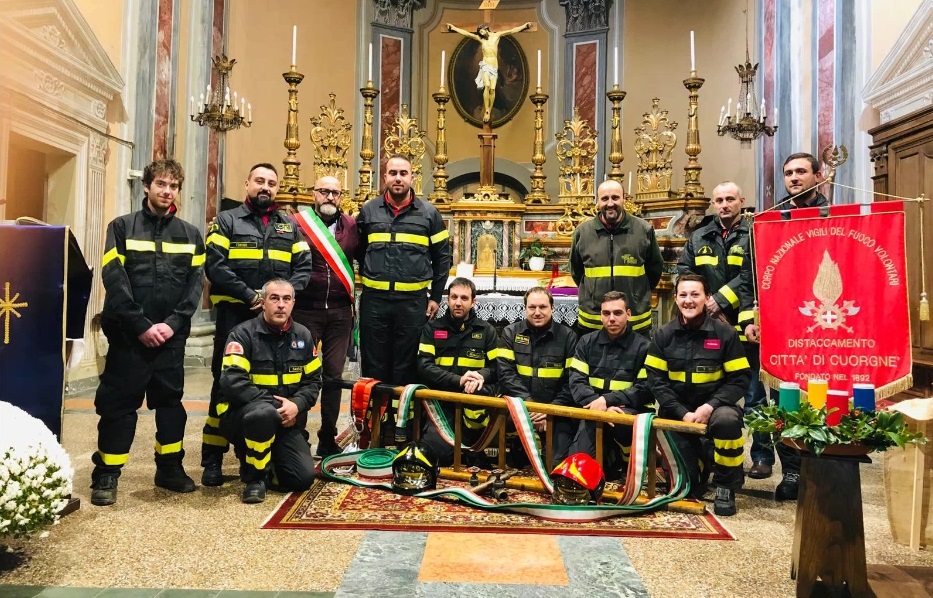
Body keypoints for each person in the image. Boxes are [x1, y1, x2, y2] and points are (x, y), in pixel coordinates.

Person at [90, 158, 205, 506]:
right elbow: (115, 280)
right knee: (118, 407)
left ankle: (169, 468)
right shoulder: (121, 227)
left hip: (170, 340)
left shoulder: (191, 235)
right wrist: (141, 326)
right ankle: (107, 475)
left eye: (173, 186)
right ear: (147, 186)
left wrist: (170, 326)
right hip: (129, 338)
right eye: (161, 184)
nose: (167, 191)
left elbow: (194, 288)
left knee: (171, 405)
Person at [201, 163, 312, 487]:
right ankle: (213, 458)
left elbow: (303, 269)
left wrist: (278, 298)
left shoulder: (289, 227)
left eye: (271, 183)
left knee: (278, 378)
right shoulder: (226, 221)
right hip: (236, 314)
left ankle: (269, 446)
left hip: (275, 318)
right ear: (247, 183)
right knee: (224, 385)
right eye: (259, 181)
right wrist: (252, 296)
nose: (265, 186)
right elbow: (216, 266)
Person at [743, 152, 827, 500]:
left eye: (801, 172)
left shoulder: (830, 215)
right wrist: (753, 316)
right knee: (758, 396)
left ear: (818, 175)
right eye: (788, 172)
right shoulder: (770, 218)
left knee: (794, 399)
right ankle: (762, 457)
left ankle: (796, 468)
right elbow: (753, 271)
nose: (793, 178)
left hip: (815, 322)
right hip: (773, 322)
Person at [675, 182, 767, 480]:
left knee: (753, 396)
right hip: (708, 325)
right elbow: (685, 271)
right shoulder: (699, 235)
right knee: (712, 392)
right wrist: (704, 304)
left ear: (742, 200)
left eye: (730, 199)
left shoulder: (755, 233)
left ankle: (762, 457)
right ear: (713, 204)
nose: (724, 204)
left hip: (745, 325)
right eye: (719, 200)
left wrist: (720, 301)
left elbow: (754, 274)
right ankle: (713, 454)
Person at [356, 154, 451, 438]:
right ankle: (376, 426)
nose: (398, 178)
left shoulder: (429, 214)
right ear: (384, 178)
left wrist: (435, 296)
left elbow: (442, 258)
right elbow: (359, 252)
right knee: (375, 365)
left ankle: (404, 427)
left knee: (407, 365)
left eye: (404, 173)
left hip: (413, 305)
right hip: (375, 302)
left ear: (412, 178)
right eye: (392, 173)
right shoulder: (369, 211)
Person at [645, 274, 751, 516]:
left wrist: (709, 407)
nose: (689, 300)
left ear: (707, 298)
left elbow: (740, 379)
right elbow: (656, 382)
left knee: (727, 422)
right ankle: (701, 461)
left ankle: (726, 485)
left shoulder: (726, 334)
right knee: (690, 487)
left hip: (717, 407)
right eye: (683, 295)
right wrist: (682, 413)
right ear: (675, 298)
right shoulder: (663, 335)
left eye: (695, 294)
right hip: (677, 410)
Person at [218, 278, 322, 503]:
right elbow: (233, 382)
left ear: (293, 303)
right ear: (263, 303)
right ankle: (255, 477)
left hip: (286, 420)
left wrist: (296, 405)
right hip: (244, 418)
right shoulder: (242, 335)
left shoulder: (303, 336)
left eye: (287, 299)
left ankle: (268, 459)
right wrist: (279, 408)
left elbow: (313, 381)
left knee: (302, 479)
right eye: (274, 298)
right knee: (263, 415)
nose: (281, 305)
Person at [291, 176, 358, 459]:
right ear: (313, 193)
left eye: (335, 192)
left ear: (341, 197)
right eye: (324, 191)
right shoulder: (297, 224)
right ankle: (298, 436)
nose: (329, 196)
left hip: (340, 312)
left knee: (332, 375)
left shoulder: (352, 227)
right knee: (301, 373)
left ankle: (328, 436)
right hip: (306, 308)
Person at [566, 291, 651, 479]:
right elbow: (576, 380)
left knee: (621, 421)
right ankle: (609, 463)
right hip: (593, 412)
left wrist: (606, 400)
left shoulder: (644, 346)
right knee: (577, 468)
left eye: (617, 313)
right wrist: (598, 404)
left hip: (627, 414)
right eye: (606, 313)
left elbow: (644, 389)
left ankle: (630, 463)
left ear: (628, 314)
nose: (611, 319)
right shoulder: (586, 342)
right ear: (600, 315)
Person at [417, 277, 498, 466]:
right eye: (454, 297)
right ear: (447, 300)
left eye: (464, 298)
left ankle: (470, 448)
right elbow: (424, 367)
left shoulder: (486, 331)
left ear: (473, 302)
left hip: (473, 403)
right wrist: (459, 380)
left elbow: (497, 368)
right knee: (438, 455)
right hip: (441, 402)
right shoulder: (432, 328)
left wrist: (480, 377)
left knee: (471, 450)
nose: (458, 303)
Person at [569, 179, 664, 336]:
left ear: (624, 199)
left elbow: (654, 269)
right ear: (597, 201)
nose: (610, 203)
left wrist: (636, 295)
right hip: (593, 320)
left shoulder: (643, 230)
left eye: (615, 197)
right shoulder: (583, 232)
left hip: (634, 319)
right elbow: (576, 271)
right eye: (605, 198)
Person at [497, 287, 578, 464]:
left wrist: (550, 411)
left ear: (552, 308)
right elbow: (505, 375)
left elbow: (572, 381)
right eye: (532, 307)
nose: (537, 312)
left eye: (543, 307)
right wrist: (531, 407)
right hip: (521, 409)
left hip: (557, 411)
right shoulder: (510, 333)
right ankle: (518, 448)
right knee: (516, 463)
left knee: (556, 464)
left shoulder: (568, 336)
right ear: (525, 308)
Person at [446, 21, 532, 123]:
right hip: (485, 66)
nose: (482, 34)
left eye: (482, 31)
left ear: (486, 29)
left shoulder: (496, 36)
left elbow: (512, 30)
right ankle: (486, 110)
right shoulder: (482, 40)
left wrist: (524, 26)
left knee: (492, 89)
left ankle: (489, 108)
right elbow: (467, 33)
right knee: (486, 86)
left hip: (493, 67)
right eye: (480, 33)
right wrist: (453, 28)